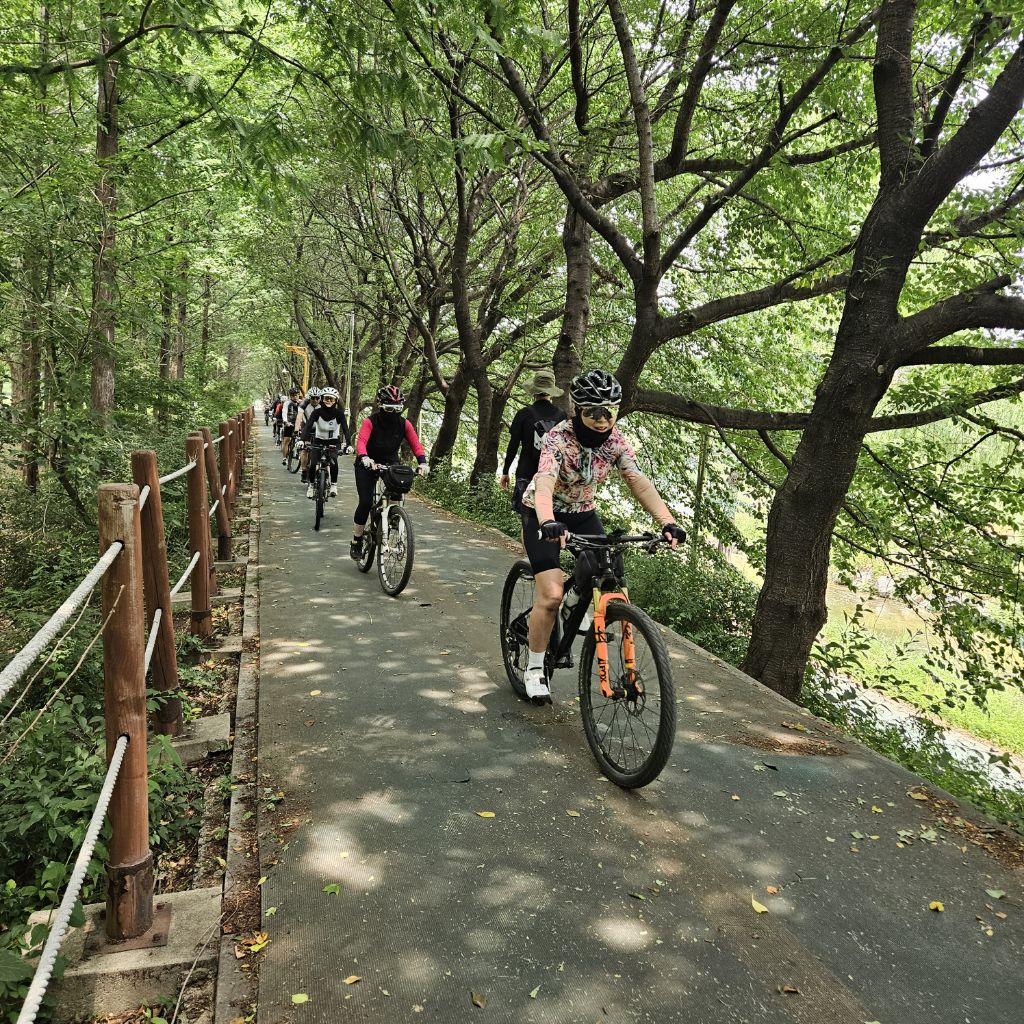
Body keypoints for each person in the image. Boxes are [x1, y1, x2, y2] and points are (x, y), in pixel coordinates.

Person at [519, 368, 686, 703]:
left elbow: (638, 481)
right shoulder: (558, 439)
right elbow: (545, 482)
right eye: (593, 411)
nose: (602, 419)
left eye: (609, 411)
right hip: (544, 513)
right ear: (578, 410)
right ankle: (535, 667)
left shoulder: (615, 442)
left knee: (604, 573)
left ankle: (573, 607)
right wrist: (548, 520)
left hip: (583, 513)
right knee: (550, 595)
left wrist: (667, 521)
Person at [351, 385, 429, 560]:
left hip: (390, 462)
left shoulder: (404, 424)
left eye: (397, 409)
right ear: (380, 406)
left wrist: (423, 463)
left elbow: (416, 445)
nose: (393, 413)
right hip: (367, 462)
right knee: (365, 502)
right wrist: (364, 457)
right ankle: (357, 540)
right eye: (388, 409)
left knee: (397, 491)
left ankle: (391, 515)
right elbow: (361, 442)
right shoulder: (370, 422)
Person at [500, 368, 565, 512]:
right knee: (548, 516)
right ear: (551, 392)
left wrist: (505, 471)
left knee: (526, 516)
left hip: (526, 472)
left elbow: (513, 445)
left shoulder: (523, 414)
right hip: (552, 476)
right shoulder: (562, 416)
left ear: (534, 391)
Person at [301, 387, 352, 498]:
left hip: (333, 441)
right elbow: (308, 426)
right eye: (326, 398)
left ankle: (334, 485)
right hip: (318, 440)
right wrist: (302, 440)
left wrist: (349, 444)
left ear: (335, 401)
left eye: (331, 399)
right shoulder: (317, 412)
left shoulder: (339, 413)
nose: (328, 401)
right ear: (322, 399)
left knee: (334, 461)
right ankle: (311, 486)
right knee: (313, 463)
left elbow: (345, 429)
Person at [295, 387, 320, 483]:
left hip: (319, 428)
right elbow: (299, 417)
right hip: (306, 427)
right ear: (309, 398)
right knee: (305, 449)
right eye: (313, 398)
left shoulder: (323, 404)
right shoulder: (304, 404)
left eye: (317, 398)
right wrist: (296, 430)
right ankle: (304, 470)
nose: (315, 400)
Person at [280, 386, 303, 465]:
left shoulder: (302, 403)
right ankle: (284, 458)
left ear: (298, 395)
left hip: (299, 423)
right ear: (290, 396)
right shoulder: (287, 403)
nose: (295, 397)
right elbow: (284, 412)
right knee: (287, 440)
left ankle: (298, 453)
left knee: (302, 439)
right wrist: (286, 421)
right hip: (290, 423)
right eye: (293, 395)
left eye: (296, 395)